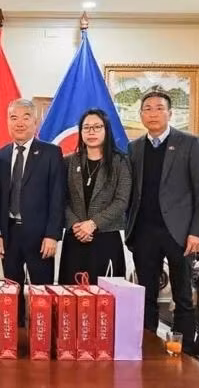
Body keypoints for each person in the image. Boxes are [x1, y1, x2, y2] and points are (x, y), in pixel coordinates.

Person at [127, 91, 199, 353]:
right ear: (141, 115)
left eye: (159, 108)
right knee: (146, 294)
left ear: (170, 113)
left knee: (183, 296)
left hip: (180, 233)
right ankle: (148, 345)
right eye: (147, 109)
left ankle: (186, 350)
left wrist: (197, 231)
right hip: (144, 232)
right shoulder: (135, 147)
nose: (153, 113)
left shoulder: (189, 143)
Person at [0, 98, 65, 324]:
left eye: (26, 118)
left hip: (40, 236)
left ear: (36, 122)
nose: (20, 123)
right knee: (12, 292)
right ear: (7, 122)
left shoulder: (51, 153)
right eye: (14, 118)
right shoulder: (0, 155)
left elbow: (58, 196)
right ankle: (14, 339)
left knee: (41, 293)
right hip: (10, 234)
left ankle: (42, 341)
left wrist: (52, 235)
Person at [58, 108, 131, 285]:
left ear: (106, 130)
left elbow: (122, 201)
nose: (91, 132)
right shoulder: (69, 162)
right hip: (74, 238)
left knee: (105, 299)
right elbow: (61, 199)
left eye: (97, 127)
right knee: (72, 296)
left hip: (106, 238)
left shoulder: (120, 162)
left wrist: (93, 224)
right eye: (86, 127)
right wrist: (75, 224)